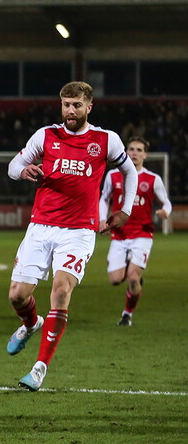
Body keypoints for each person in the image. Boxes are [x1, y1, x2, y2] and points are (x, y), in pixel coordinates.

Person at [5, 81, 137, 391]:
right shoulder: (46, 136)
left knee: (61, 291)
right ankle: (30, 324)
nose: (70, 111)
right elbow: (14, 164)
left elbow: (129, 172)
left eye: (76, 105)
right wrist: (23, 172)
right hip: (41, 226)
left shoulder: (106, 140)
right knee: (17, 296)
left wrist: (125, 210)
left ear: (89, 107)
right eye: (66, 104)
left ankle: (39, 368)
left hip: (79, 230)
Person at [98, 136, 171, 326]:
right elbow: (104, 198)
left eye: (139, 150)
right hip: (119, 234)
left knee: (132, 277)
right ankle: (133, 272)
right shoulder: (113, 175)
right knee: (115, 280)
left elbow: (166, 202)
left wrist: (166, 211)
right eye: (131, 149)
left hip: (142, 233)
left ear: (145, 155)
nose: (134, 153)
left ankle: (127, 315)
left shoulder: (152, 179)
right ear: (125, 152)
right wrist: (101, 220)